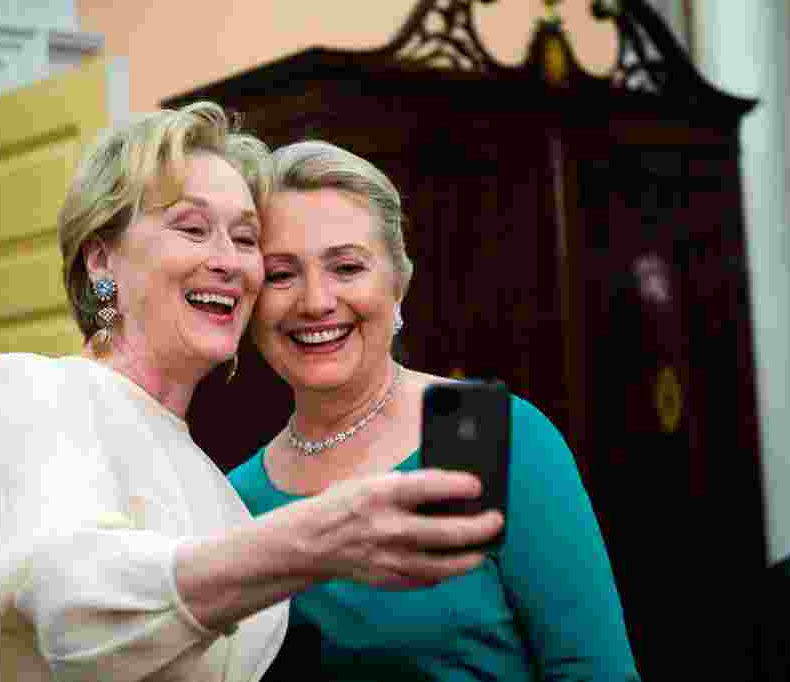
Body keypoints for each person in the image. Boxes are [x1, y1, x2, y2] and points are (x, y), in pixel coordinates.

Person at [0, 104, 504, 682]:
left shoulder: (215, 483)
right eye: (193, 228)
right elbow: (74, 612)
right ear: (102, 260)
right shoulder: (34, 392)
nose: (230, 261)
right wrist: (319, 538)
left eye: (244, 237)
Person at [230, 140, 642, 681]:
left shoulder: (483, 432)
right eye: (281, 274)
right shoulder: (236, 500)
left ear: (398, 284)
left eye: (347, 267)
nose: (315, 301)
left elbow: (594, 672)